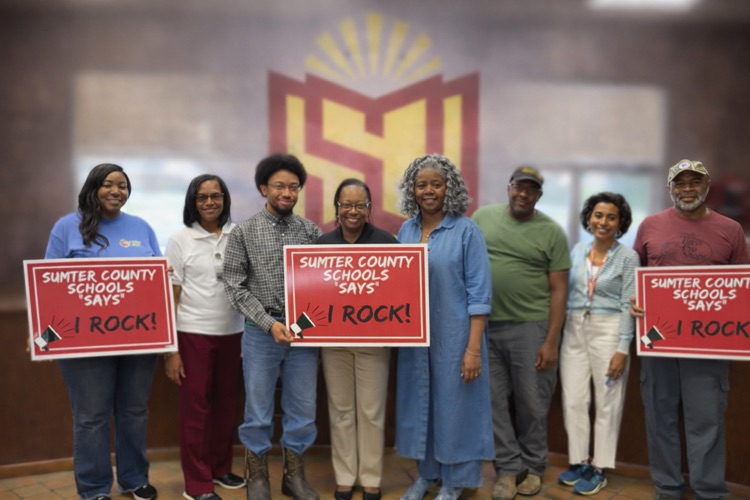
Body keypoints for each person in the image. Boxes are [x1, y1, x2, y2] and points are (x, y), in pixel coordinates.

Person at [631, 159, 750, 500]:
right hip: (658, 339)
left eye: (694, 182)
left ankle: (709, 492)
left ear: (706, 185)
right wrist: (634, 301)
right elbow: (634, 275)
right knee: (660, 418)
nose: (687, 189)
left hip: (709, 343)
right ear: (670, 188)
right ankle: (668, 489)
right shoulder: (650, 226)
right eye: (680, 183)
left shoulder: (730, 230)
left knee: (707, 420)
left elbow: (741, 286)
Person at [44, 163, 160, 500]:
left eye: (123, 186)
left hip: (139, 340)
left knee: (134, 411)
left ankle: (134, 479)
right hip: (84, 345)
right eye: (108, 184)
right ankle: (94, 489)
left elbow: (155, 282)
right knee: (91, 418)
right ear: (93, 188)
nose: (116, 191)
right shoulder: (66, 227)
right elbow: (48, 288)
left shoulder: (141, 227)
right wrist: (42, 337)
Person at [222, 154, 322, 500]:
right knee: (258, 411)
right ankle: (258, 478)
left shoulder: (310, 231)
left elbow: (322, 284)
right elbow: (234, 285)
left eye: (293, 186)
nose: (287, 192)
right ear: (264, 188)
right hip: (260, 335)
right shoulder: (243, 232)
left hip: (304, 336)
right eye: (279, 185)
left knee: (303, 410)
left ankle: (293, 477)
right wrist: (268, 323)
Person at [395, 154, 493, 500]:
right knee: (423, 404)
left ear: (448, 187)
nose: (429, 190)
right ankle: (427, 475)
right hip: (416, 340)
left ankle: (455, 481)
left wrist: (472, 350)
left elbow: (480, 296)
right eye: (421, 185)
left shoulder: (467, 230)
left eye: (436, 183)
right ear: (413, 190)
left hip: (456, 337)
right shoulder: (405, 230)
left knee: (456, 406)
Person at [472, 166, 571, 500]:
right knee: (494, 403)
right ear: (509, 187)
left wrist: (551, 340)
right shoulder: (482, 218)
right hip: (485, 327)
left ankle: (533, 467)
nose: (523, 194)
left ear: (539, 195)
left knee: (532, 403)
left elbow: (559, 291)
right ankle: (507, 471)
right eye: (518, 187)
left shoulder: (552, 232)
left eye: (531, 190)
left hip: (531, 328)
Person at [164, 175, 246, 500]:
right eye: (202, 197)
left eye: (215, 196)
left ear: (225, 199)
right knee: (196, 409)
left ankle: (219, 467)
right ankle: (197, 483)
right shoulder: (180, 239)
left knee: (226, 405)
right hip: (192, 333)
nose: (209, 202)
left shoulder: (238, 234)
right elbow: (171, 297)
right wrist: (170, 351)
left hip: (234, 333)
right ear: (192, 202)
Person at [317, 178, 399, 500]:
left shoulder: (387, 243)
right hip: (332, 344)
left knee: (371, 411)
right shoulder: (321, 245)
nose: (353, 211)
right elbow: (311, 301)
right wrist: (299, 327)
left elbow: (398, 298)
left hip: (374, 345)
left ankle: (370, 479)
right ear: (336, 209)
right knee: (340, 411)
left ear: (369, 208)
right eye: (346, 205)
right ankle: (344, 476)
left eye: (359, 205)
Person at [557, 192, 638, 496]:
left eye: (611, 217)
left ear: (620, 223)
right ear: (589, 218)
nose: (603, 222)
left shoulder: (628, 257)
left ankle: (599, 467)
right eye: (598, 215)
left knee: (608, 402)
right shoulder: (578, 250)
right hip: (575, 329)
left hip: (609, 330)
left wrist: (622, 348)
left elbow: (629, 304)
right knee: (574, 399)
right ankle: (579, 461)